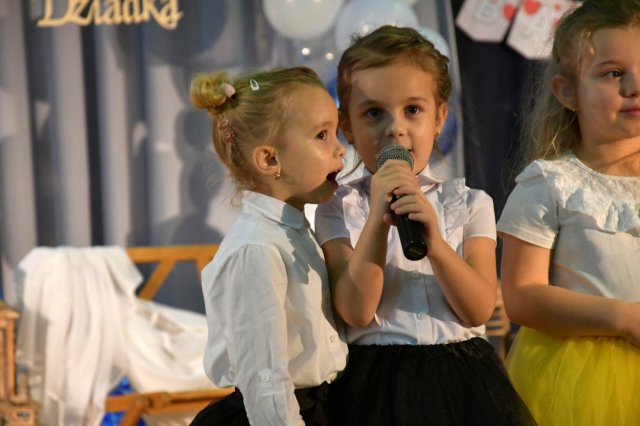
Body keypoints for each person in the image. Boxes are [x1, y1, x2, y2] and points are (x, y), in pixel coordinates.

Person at [314, 25, 536, 426]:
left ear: (440, 118)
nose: (395, 128)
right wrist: (378, 221)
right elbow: (356, 310)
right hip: (374, 385)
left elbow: (478, 309)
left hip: (461, 380)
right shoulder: (338, 207)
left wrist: (435, 242)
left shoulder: (470, 203)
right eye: (373, 113)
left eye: (412, 110)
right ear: (347, 127)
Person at [497, 1, 640, 424]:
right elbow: (522, 295)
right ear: (567, 91)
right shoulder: (551, 183)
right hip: (581, 380)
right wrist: (624, 317)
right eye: (613, 73)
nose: (634, 85)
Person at [188, 66, 348, 426]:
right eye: (322, 135)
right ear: (270, 160)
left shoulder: (294, 230)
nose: (340, 149)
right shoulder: (256, 249)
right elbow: (266, 379)